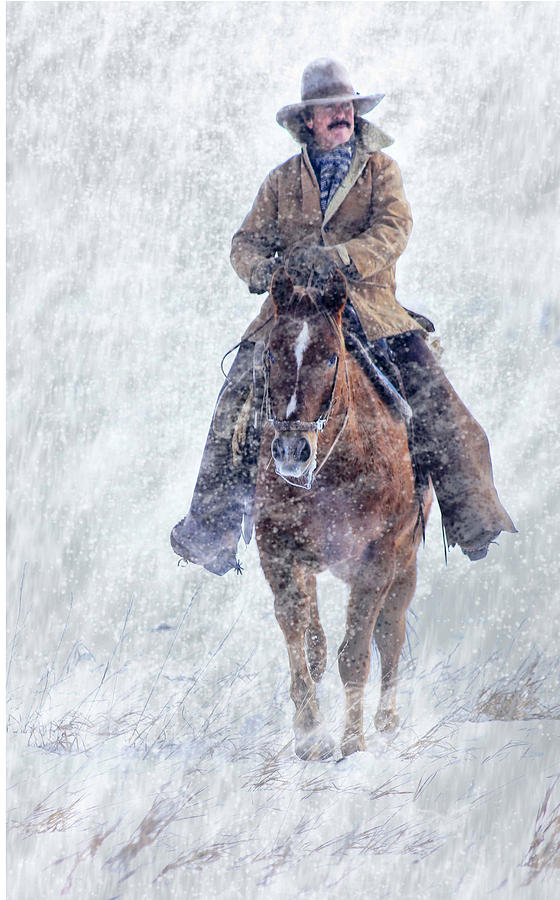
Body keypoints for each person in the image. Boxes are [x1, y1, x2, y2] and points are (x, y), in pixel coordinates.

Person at [171, 58, 516, 574]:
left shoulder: (382, 171)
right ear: (307, 121)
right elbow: (244, 243)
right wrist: (265, 270)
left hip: (369, 309)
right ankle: (212, 528)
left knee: (432, 391)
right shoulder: (281, 181)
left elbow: (394, 230)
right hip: (288, 316)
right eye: (330, 107)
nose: (342, 113)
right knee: (235, 396)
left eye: (348, 105)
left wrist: (342, 259)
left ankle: (471, 515)